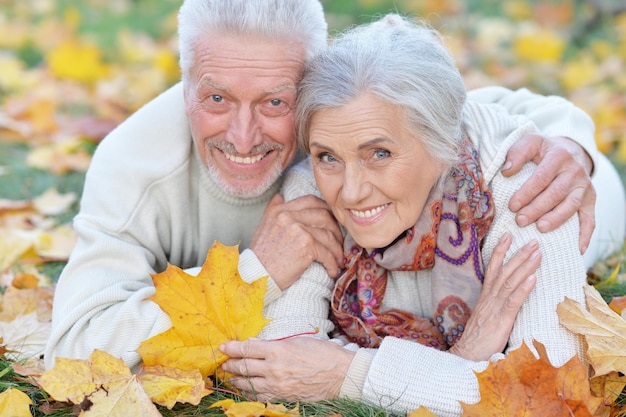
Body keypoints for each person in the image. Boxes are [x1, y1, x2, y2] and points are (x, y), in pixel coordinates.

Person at [44, 0, 607, 371]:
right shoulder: (133, 165)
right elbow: (72, 348)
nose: (242, 138)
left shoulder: (366, 131)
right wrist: (255, 274)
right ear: (185, 84)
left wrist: (573, 139)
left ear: (313, 90)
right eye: (216, 98)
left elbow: (466, 111)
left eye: (275, 102)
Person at [219, 14, 626, 417]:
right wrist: (469, 356)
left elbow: (547, 391)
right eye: (328, 156)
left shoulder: (527, 191)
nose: (351, 191)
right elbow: (279, 359)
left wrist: (348, 371)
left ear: (442, 145)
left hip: (599, 197)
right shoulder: (312, 184)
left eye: (379, 154)